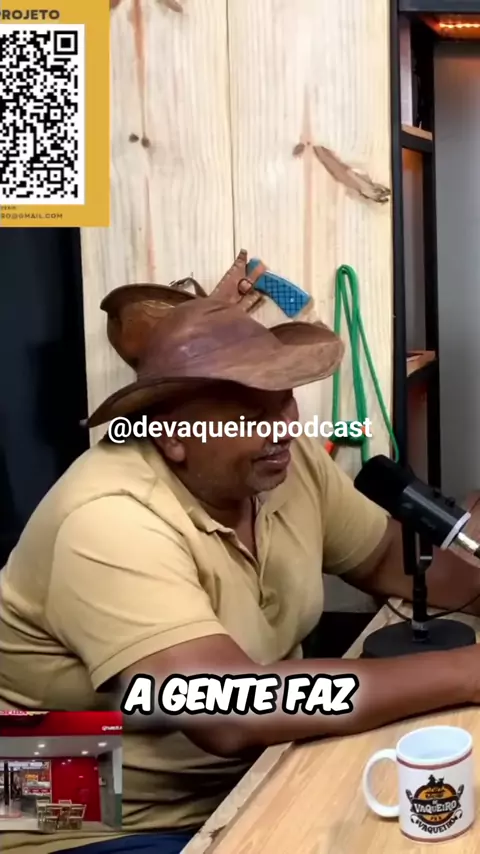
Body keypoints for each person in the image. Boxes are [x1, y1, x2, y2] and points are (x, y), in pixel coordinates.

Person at [2, 275, 480, 854]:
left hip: (251, 775)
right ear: (173, 435)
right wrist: (468, 672)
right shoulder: (106, 519)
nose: (283, 428)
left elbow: (383, 556)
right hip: (94, 824)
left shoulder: (280, 463)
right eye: (251, 411)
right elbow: (225, 706)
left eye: (284, 399)